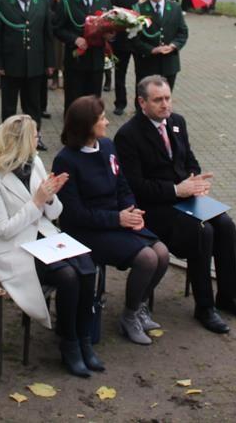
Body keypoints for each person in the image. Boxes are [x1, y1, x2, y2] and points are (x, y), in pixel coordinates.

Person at [114, 76, 236, 333]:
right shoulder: (128, 135)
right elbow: (135, 186)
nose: (165, 105)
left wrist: (196, 181)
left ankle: (228, 297)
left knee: (224, 224)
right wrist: (175, 190)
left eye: (168, 98)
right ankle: (204, 307)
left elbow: (189, 161)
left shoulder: (177, 122)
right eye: (158, 100)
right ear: (142, 102)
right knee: (203, 232)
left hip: (185, 199)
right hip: (154, 208)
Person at [0, 115, 101, 377]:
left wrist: (51, 196)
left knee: (88, 268)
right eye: (35, 137)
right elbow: (4, 229)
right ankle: (68, 344)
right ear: (22, 141)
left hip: (44, 235)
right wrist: (37, 201)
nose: (39, 141)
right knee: (68, 276)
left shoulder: (34, 164)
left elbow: (54, 214)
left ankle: (84, 339)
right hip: (14, 247)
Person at [52, 96, 169, 346]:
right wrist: (118, 219)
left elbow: (122, 184)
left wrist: (131, 211)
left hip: (118, 220)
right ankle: (128, 317)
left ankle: (138, 307)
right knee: (147, 258)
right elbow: (75, 214)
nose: (107, 122)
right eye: (101, 118)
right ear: (87, 125)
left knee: (162, 252)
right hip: (87, 231)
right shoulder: (66, 160)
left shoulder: (106, 146)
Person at [0, 0, 54, 125]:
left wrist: (50, 62)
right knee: (9, 107)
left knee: (33, 105)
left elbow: (47, 35)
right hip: (10, 63)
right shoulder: (2, 3)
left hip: (35, 63)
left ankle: (34, 137)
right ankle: (7, 141)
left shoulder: (42, 2)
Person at [53, 0, 111, 108]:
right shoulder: (67, 1)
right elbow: (57, 29)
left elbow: (110, 25)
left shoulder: (103, 0)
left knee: (94, 102)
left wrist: (111, 35)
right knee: (74, 101)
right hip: (75, 61)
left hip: (96, 59)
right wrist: (74, 39)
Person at [132, 0, 187, 90]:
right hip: (147, 62)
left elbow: (182, 32)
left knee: (165, 94)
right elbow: (134, 38)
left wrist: (173, 46)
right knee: (145, 94)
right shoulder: (139, 9)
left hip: (169, 62)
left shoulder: (174, 7)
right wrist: (152, 49)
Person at [107, 0, 144, 116]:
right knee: (120, 73)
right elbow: (111, 13)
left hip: (142, 41)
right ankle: (120, 103)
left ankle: (139, 105)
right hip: (122, 40)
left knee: (141, 75)